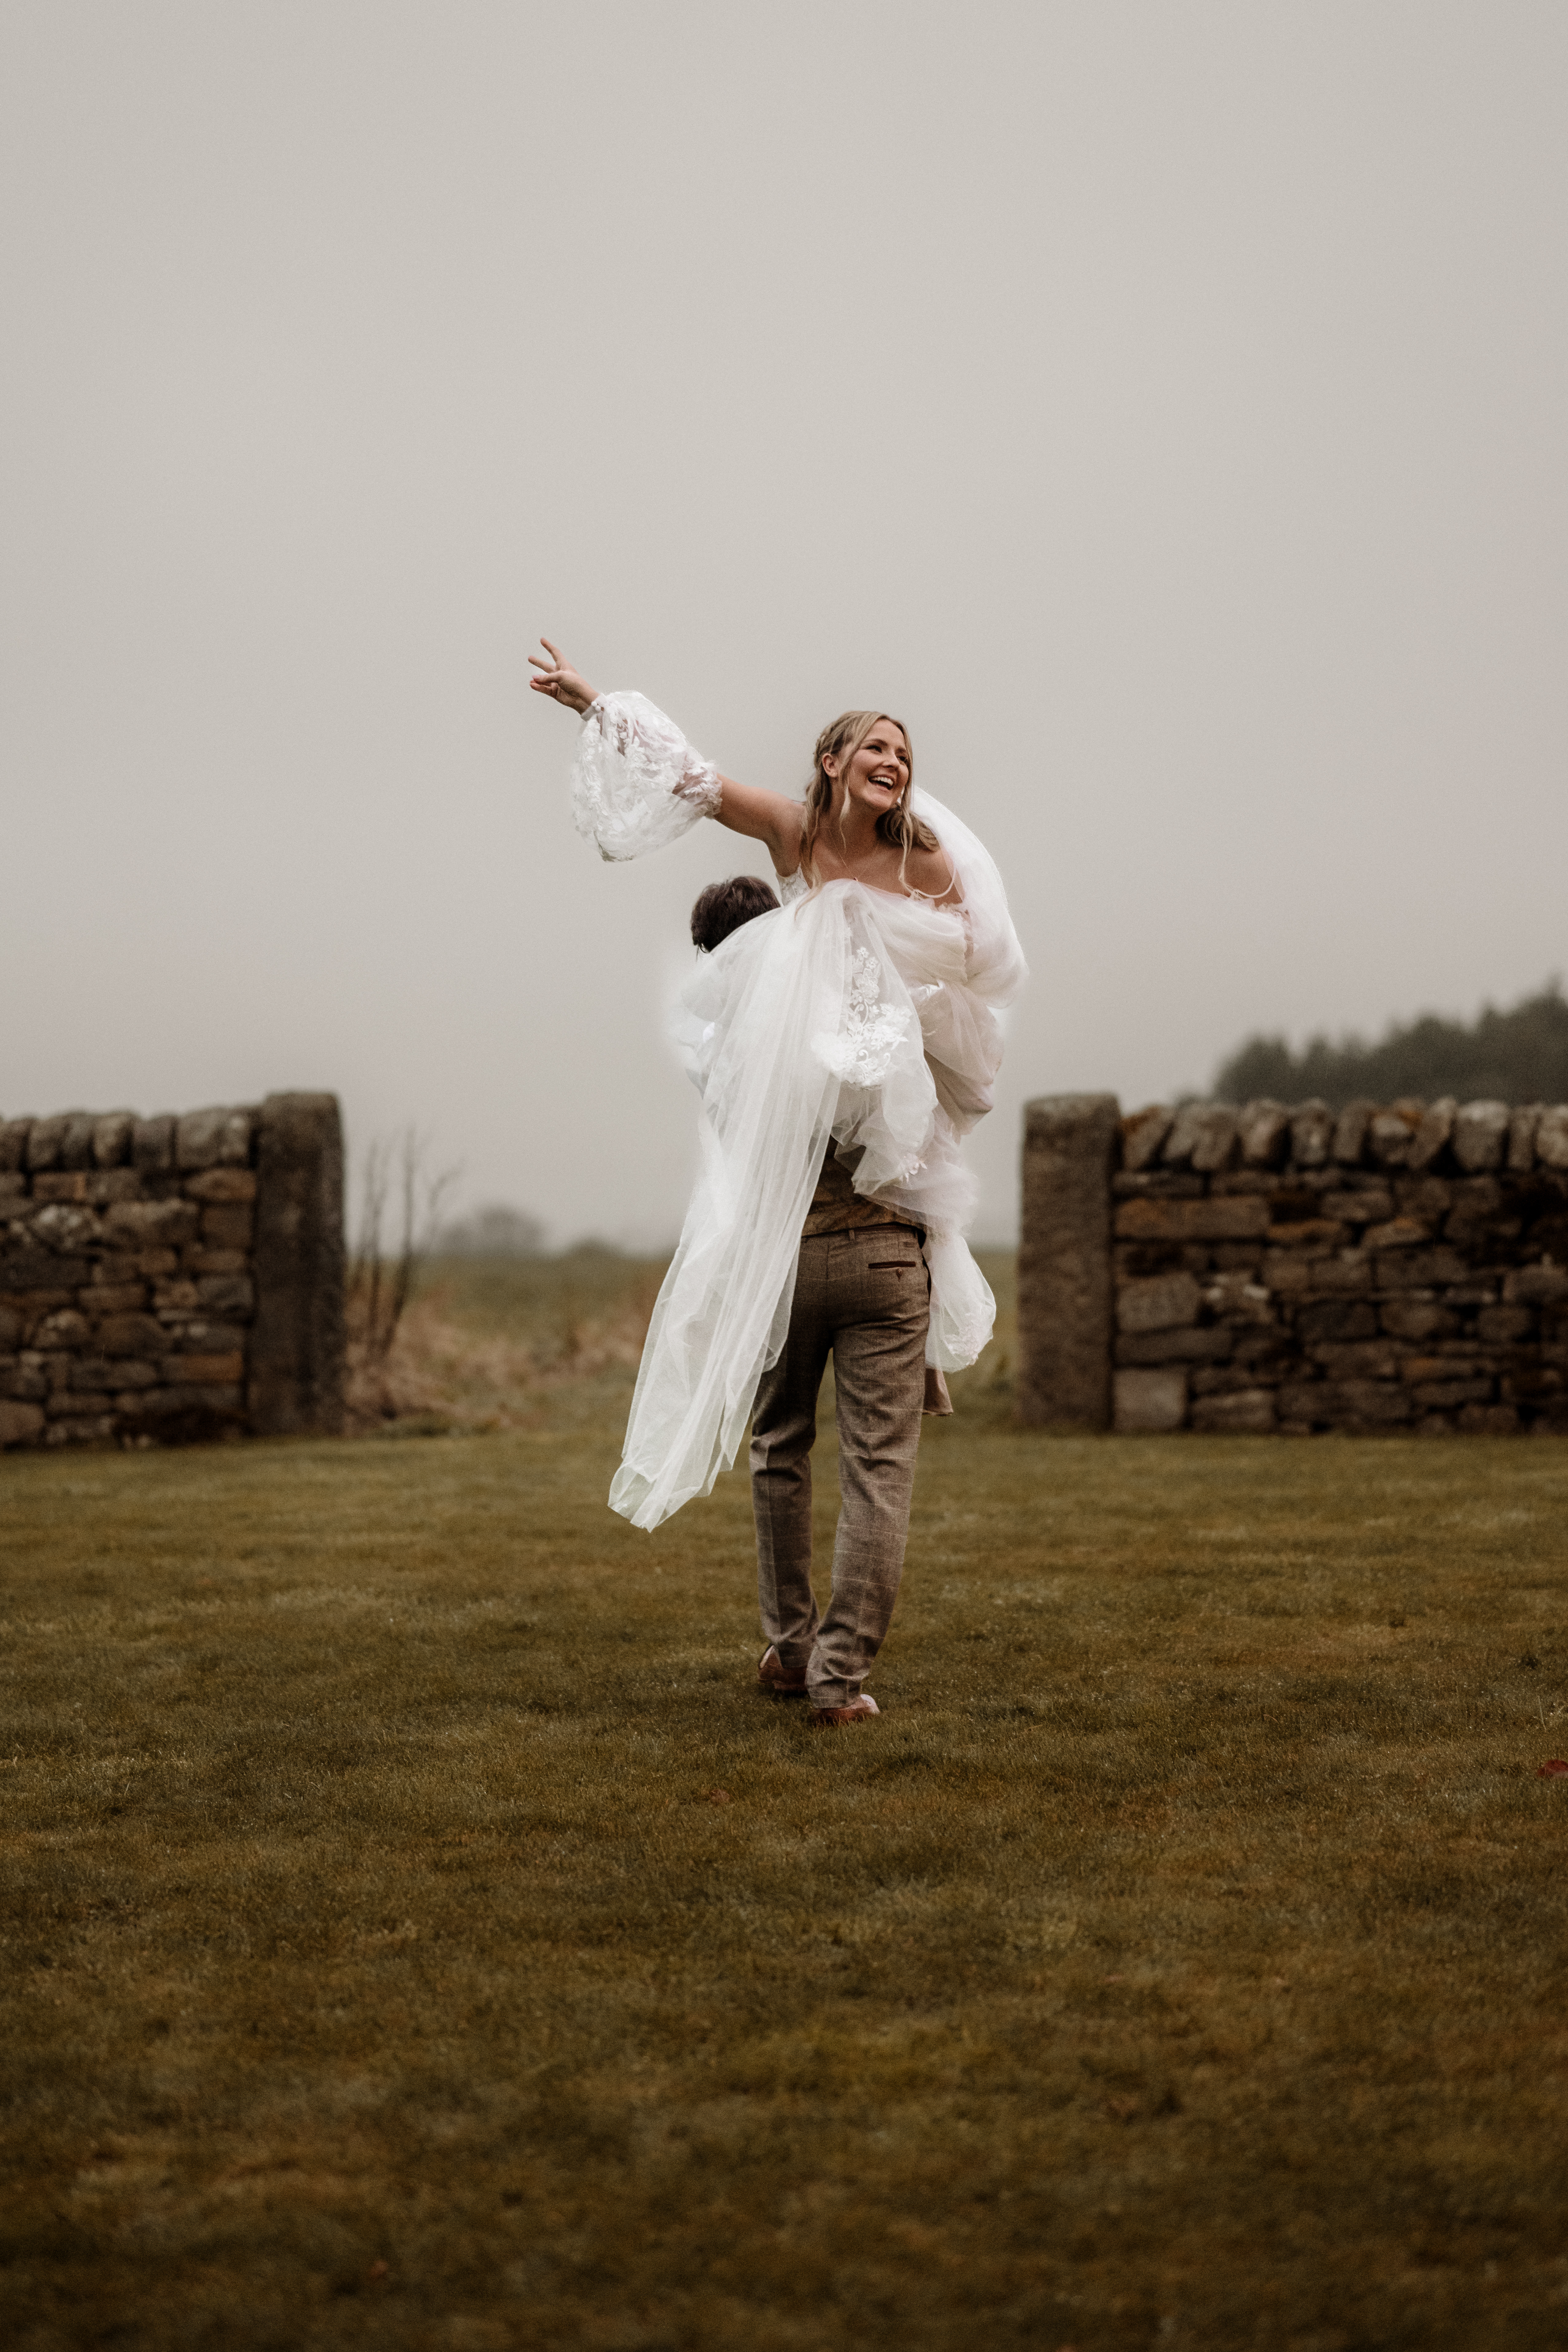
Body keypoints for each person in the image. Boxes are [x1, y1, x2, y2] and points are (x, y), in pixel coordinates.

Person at [530, 639, 1027, 1725]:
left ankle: (796, 1652)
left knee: (783, 1449)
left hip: (808, 1234)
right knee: (867, 1467)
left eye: (905, 752)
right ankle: (832, 1673)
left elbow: (973, 966)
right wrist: (592, 702)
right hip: (861, 1240)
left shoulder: (924, 863)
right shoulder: (799, 838)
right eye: (876, 746)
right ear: (833, 759)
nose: (895, 760)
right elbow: (695, 778)